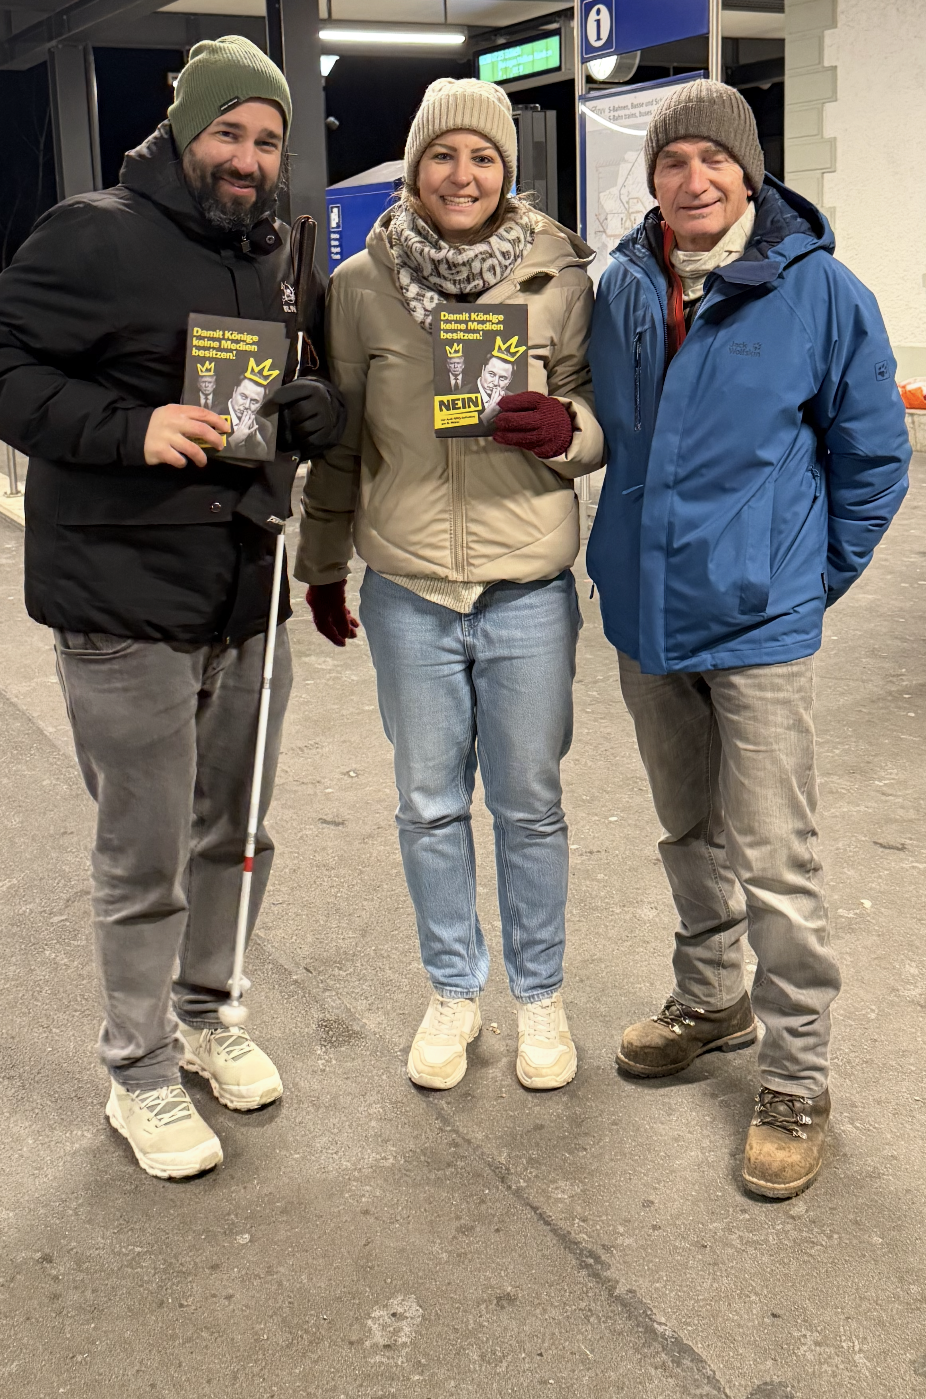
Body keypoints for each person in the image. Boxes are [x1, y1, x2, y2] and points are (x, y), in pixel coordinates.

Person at [0, 35, 345, 1182]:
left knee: (235, 835)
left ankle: (204, 1012)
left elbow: (302, 378)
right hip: (121, 599)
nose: (246, 157)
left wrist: (314, 409)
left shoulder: (282, 251)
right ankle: (137, 1067)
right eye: (229, 132)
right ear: (184, 132)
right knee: (146, 852)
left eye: (268, 138)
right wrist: (128, 429)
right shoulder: (95, 232)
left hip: (246, 592)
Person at [588, 80, 910, 1200]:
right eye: (672, 163)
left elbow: (873, 462)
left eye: (712, 162)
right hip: (643, 614)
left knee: (777, 853)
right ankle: (713, 998)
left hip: (760, 622)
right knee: (688, 829)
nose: (691, 181)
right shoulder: (624, 286)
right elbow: (606, 428)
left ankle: (798, 1075)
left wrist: (804, 582)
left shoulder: (823, 295)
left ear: (750, 173)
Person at [298, 78, 604, 1093]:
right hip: (410, 589)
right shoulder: (359, 283)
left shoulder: (561, 274)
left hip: (526, 586)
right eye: (443, 156)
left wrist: (569, 433)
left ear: (506, 171)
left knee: (530, 805)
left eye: (483, 157)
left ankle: (541, 997)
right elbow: (340, 440)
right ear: (414, 168)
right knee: (429, 805)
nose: (463, 175)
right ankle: (453, 990)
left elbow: (597, 412)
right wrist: (323, 563)